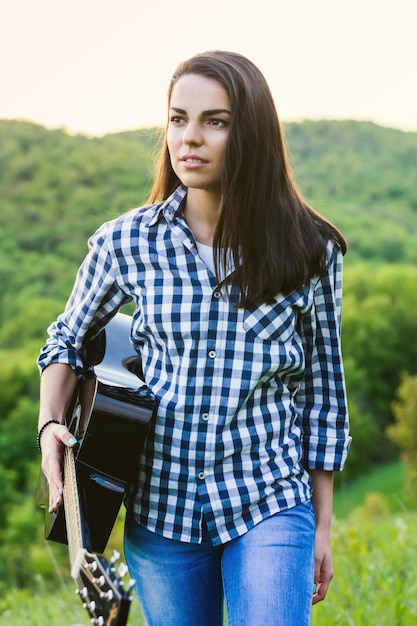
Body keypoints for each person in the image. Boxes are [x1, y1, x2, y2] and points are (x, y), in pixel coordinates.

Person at [37, 50, 351, 626]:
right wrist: (49, 423)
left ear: (251, 133)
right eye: (179, 119)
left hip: (270, 498)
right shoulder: (125, 243)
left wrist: (322, 527)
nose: (190, 138)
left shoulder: (311, 250)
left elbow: (324, 394)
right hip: (161, 511)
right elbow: (65, 341)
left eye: (216, 121)